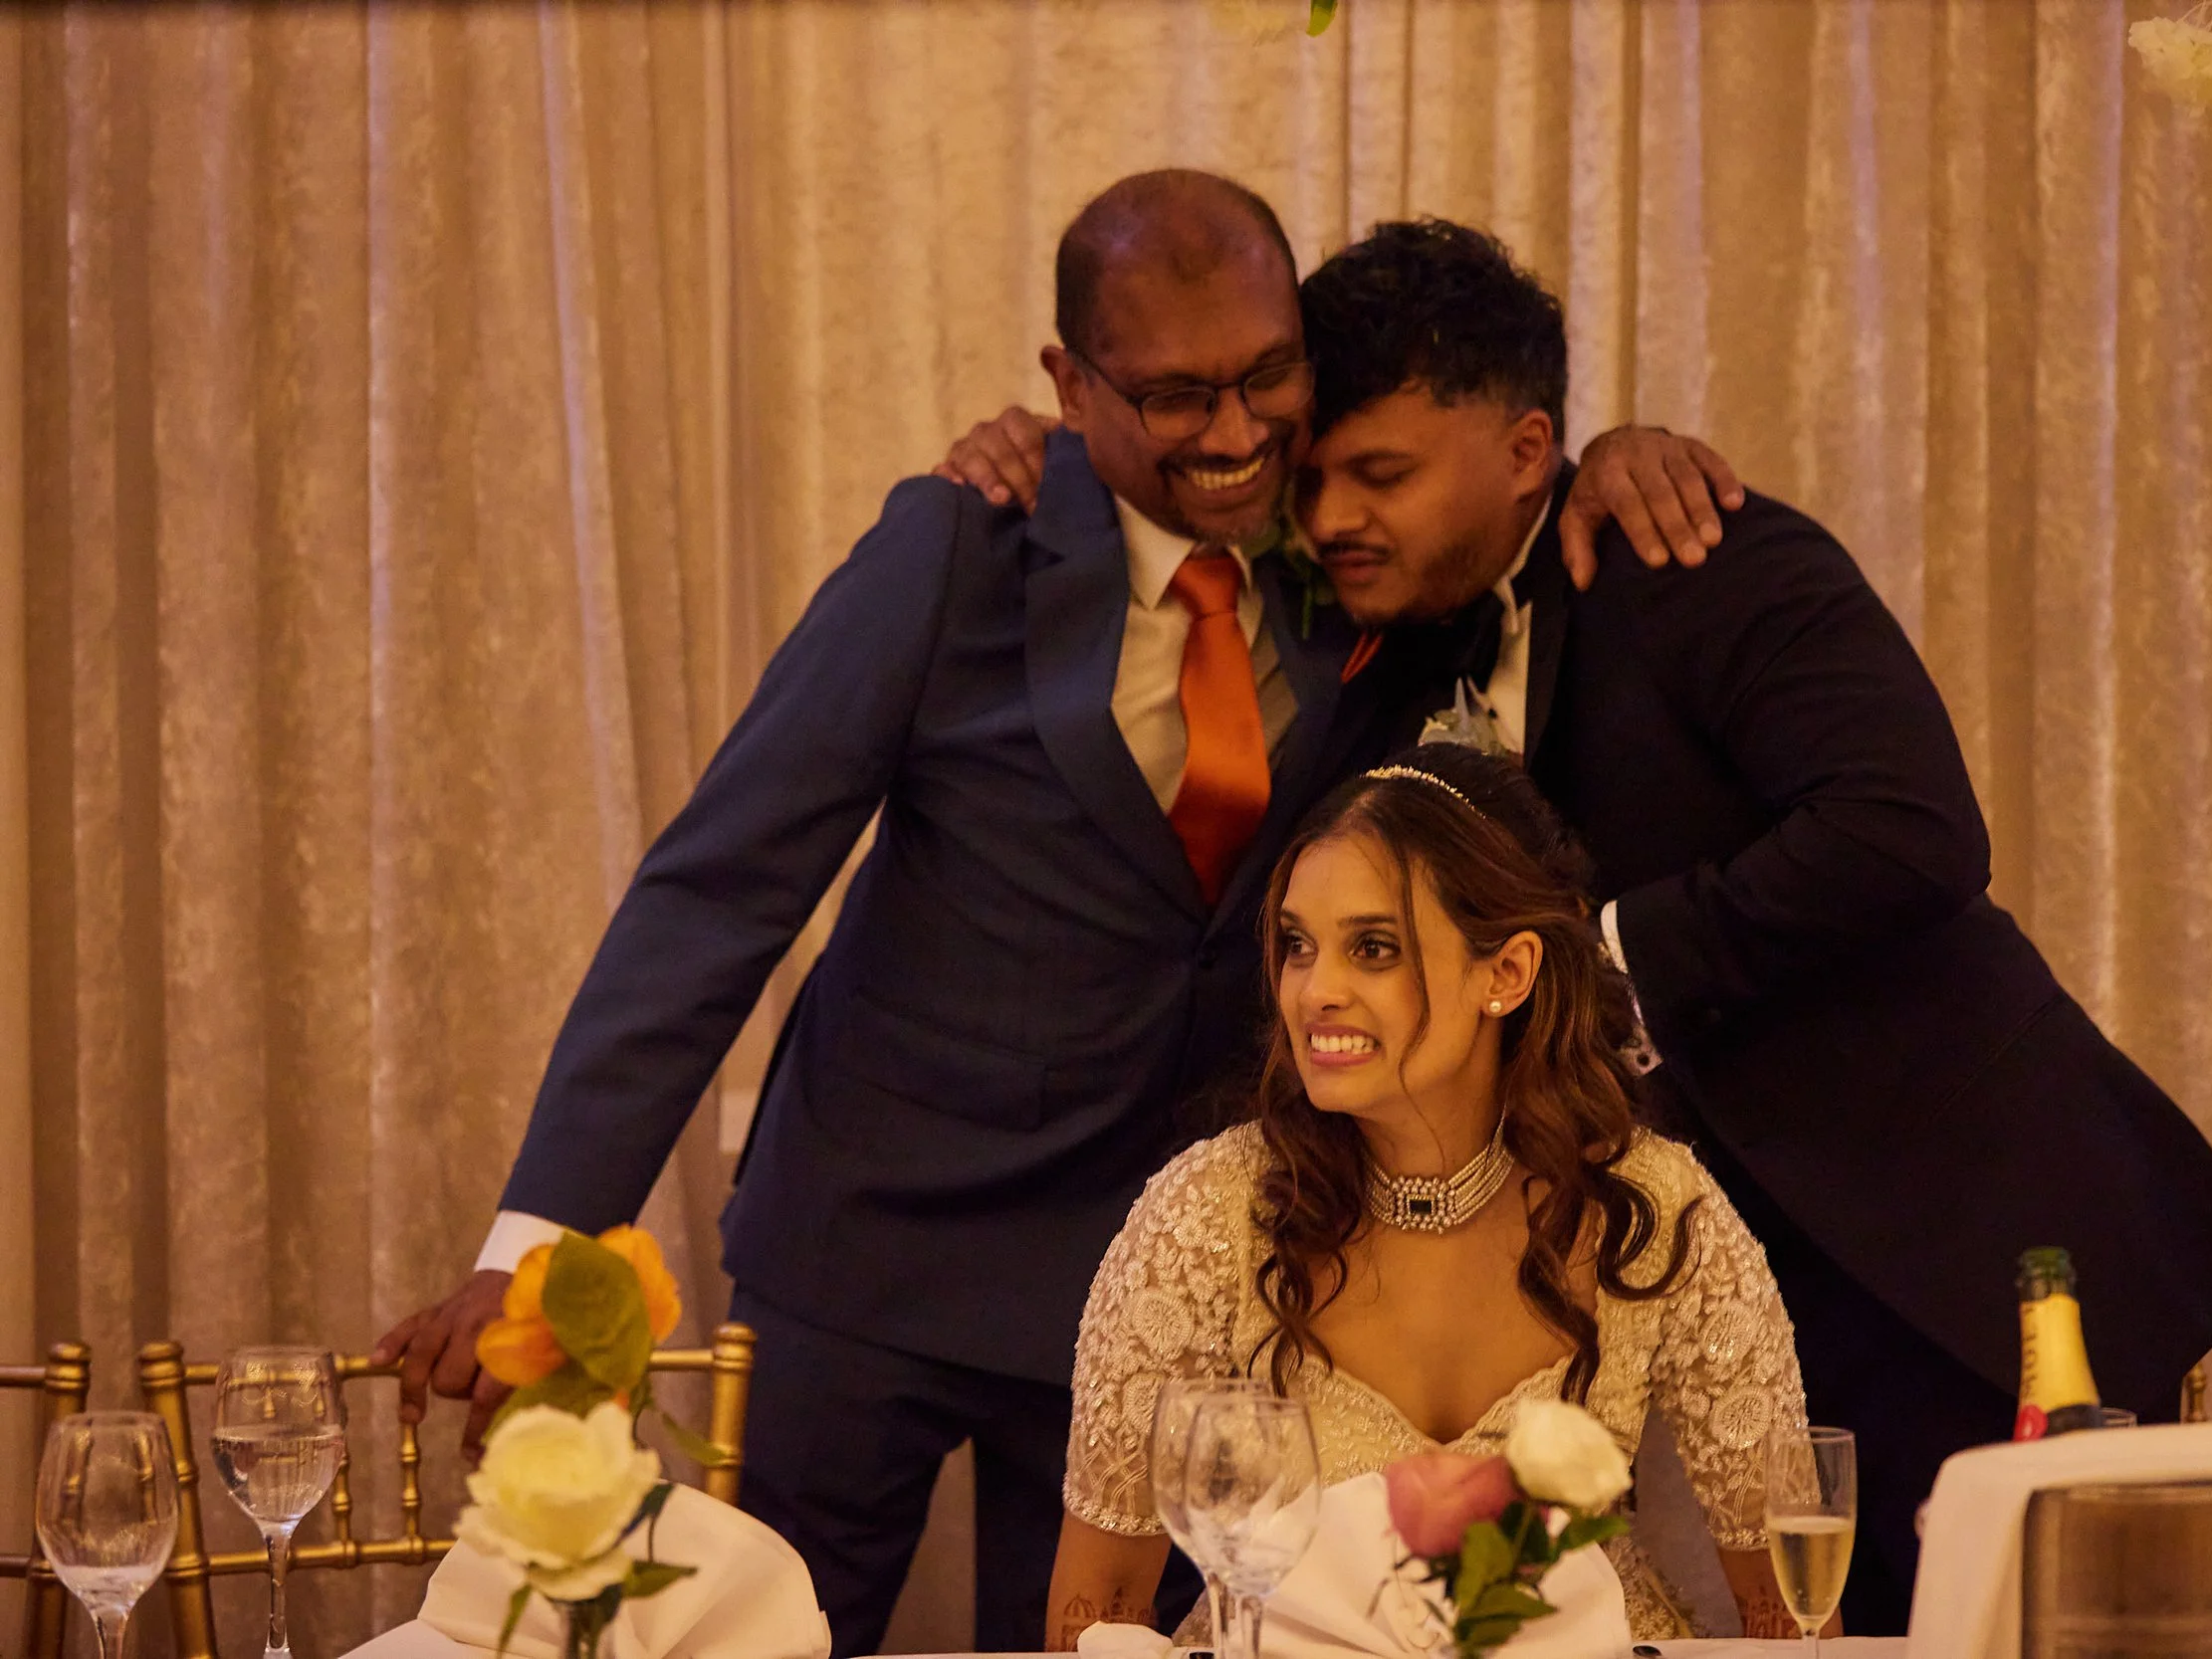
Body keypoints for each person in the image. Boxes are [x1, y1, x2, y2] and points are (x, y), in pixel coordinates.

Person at [371, 171, 1741, 1657]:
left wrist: (1609, 454)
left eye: (1267, 374)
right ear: (1068, 385)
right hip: (866, 1250)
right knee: (750, 1628)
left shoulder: (1357, 569)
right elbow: (721, 884)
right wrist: (542, 1231)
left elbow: (1488, 509)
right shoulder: (962, 545)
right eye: (1170, 393)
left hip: (1128, 1289)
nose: (1233, 432)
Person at [948, 217, 2212, 1635]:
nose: (1332, 513)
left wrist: (1599, 961)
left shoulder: (1699, 552)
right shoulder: (1381, 629)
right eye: (1317, 476)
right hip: (1713, 1267)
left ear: (1529, 453)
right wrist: (1044, 446)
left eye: (1382, 473)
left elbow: (1911, 830)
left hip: (1952, 1241)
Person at [1049, 744, 1809, 1649]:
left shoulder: (1648, 1212)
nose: (1315, 991)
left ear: (1508, 973)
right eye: (1297, 945)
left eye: (1374, 948)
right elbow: (1096, 1611)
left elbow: (1792, 1615)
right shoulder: (1208, 1218)